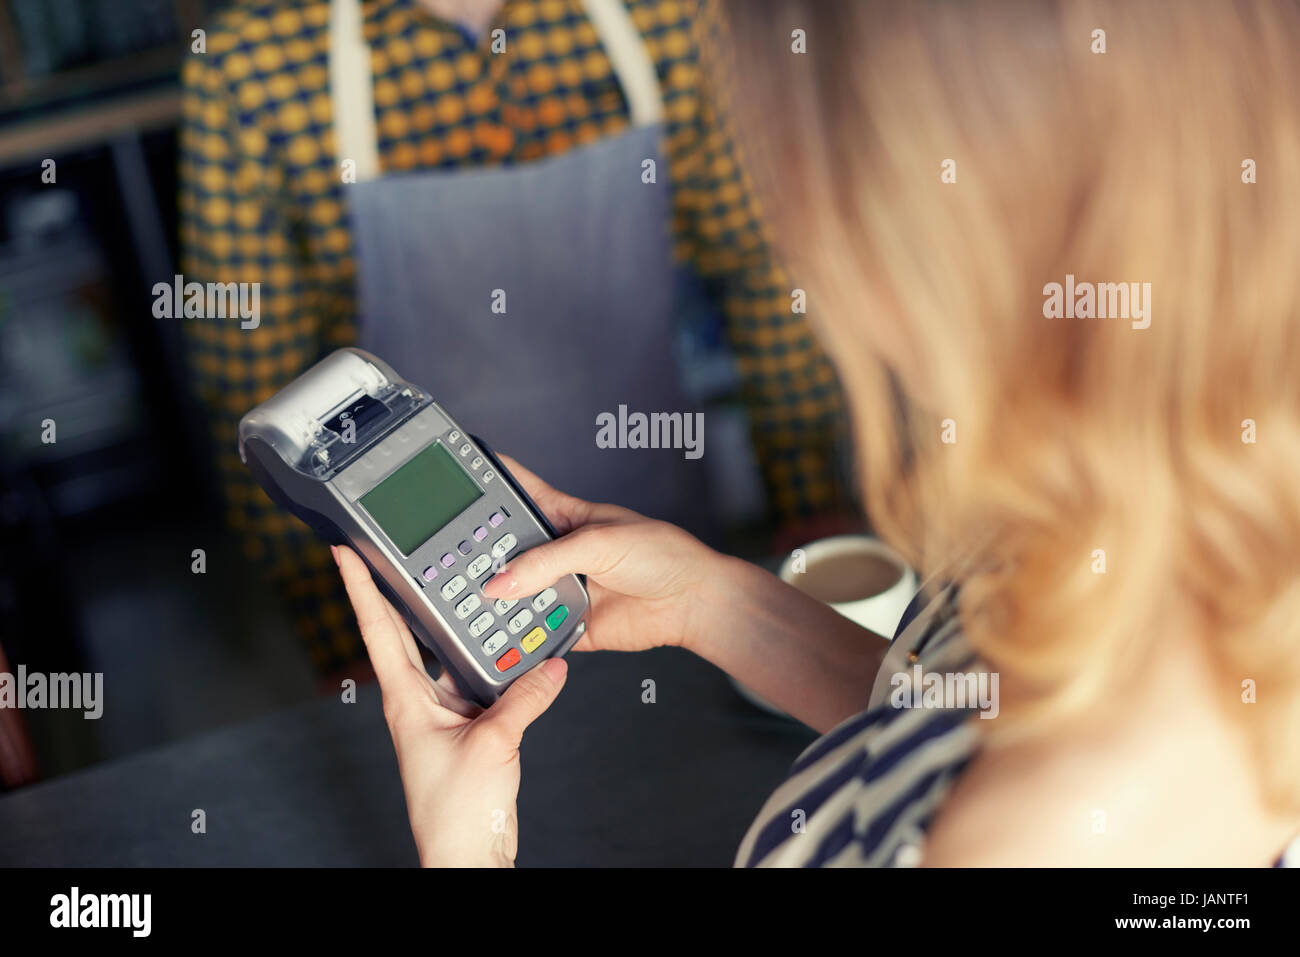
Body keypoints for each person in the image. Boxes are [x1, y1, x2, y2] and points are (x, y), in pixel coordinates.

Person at [333, 0, 1300, 866]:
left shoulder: (1007, 841)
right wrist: (717, 607)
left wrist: (469, 851)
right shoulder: (1180, 496)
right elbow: (948, 721)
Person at [178, 0, 850, 681]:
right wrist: (347, 639)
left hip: (669, 542)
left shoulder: (668, 12)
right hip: (439, 626)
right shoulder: (250, 65)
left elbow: (764, 267)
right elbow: (255, 392)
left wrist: (811, 501)